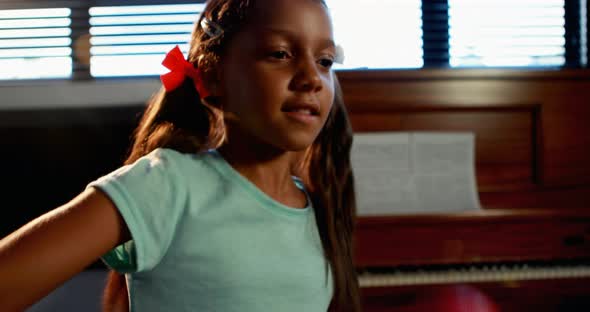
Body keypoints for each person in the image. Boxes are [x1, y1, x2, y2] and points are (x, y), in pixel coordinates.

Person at [0, 0, 360, 311]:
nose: (312, 78)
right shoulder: (168, 184)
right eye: (280, 54)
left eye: (325, 61)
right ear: (214, 75)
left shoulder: (316, 206)